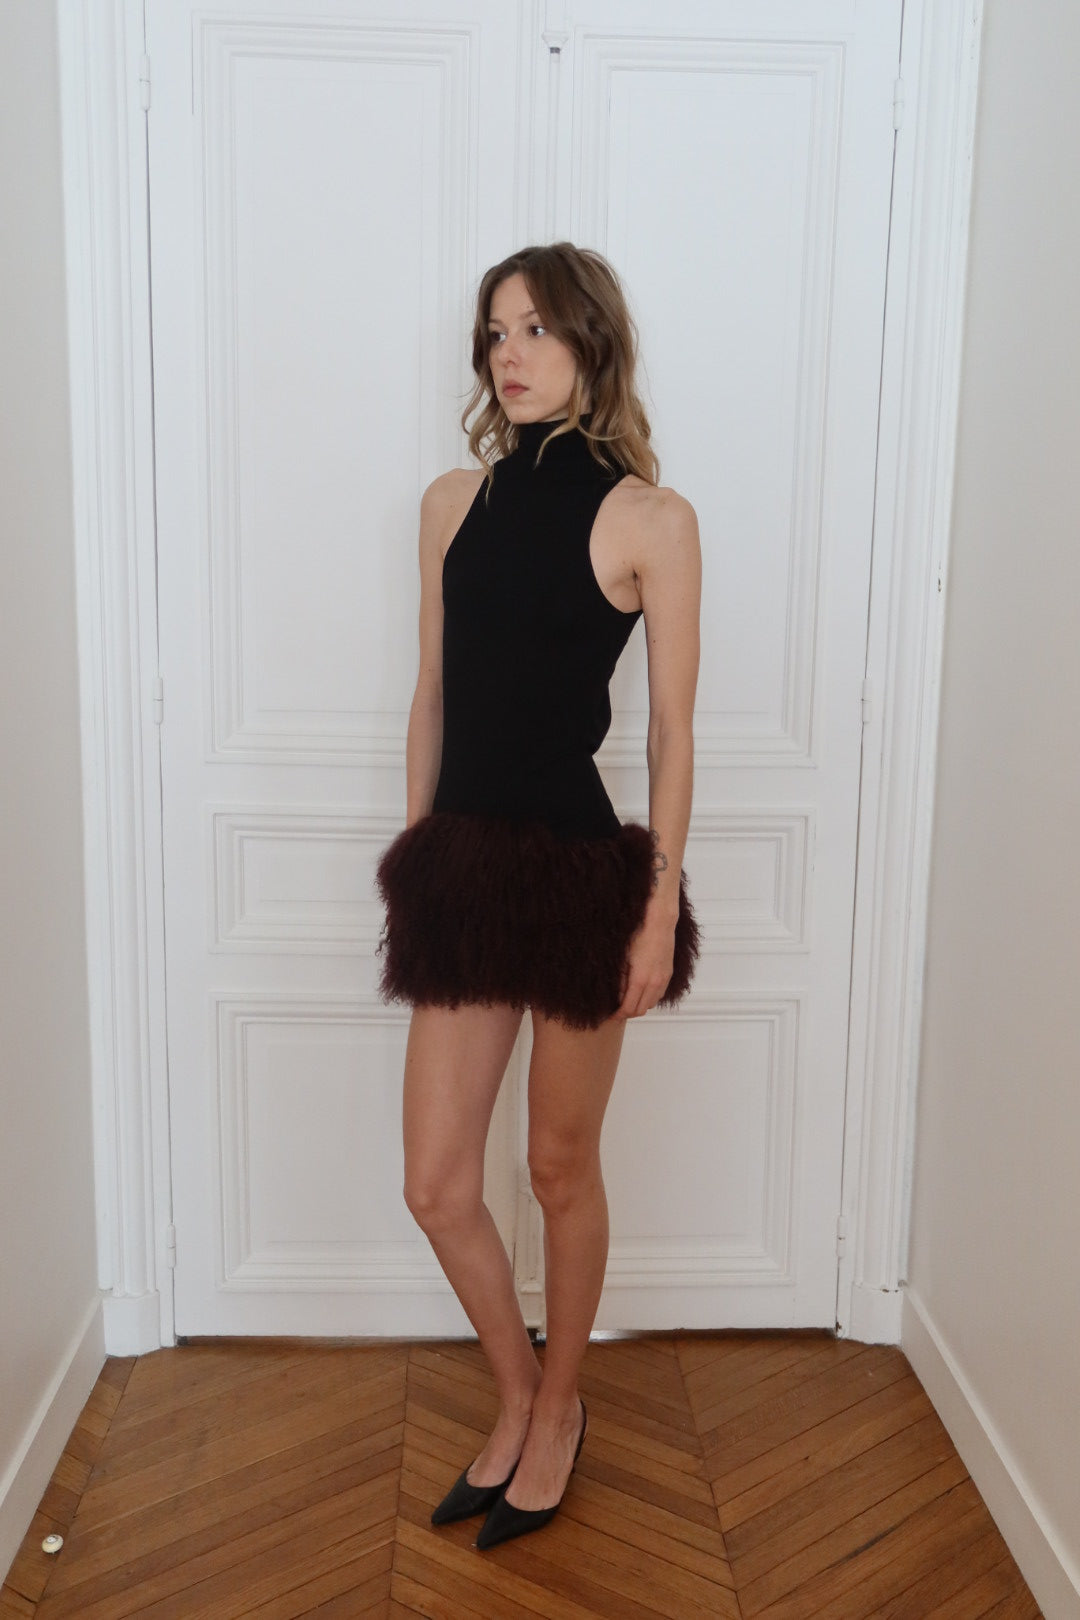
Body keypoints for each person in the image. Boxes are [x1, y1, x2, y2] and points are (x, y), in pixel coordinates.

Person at [374, 242, 702, 1550]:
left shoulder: (651, 521)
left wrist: (657, 908)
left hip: (577, 879)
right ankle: (517, 1390)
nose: (509, 355)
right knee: (437, 1182)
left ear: (591, 345)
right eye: (494, 333)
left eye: (537, 330)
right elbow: (432, 695)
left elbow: (671, 735)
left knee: (558, 1167)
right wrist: (418, 862)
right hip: (465, 870)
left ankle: (561, 1411)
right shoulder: (450, 503)